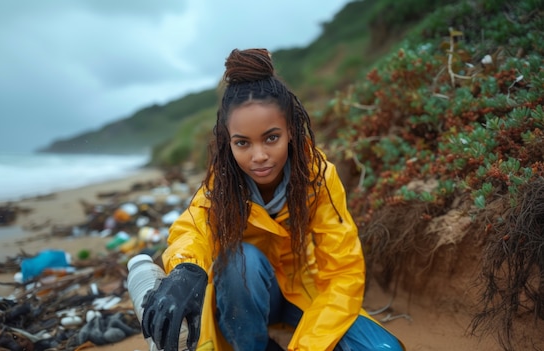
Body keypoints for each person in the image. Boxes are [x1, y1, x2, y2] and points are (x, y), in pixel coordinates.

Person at [140, 48, 405, 351]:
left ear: (291, 131)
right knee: (242, 259)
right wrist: (186, 270)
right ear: (229, 142)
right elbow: (193, 230)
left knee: (383, 349)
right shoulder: (221, 186)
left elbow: (343, 271)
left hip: (300, 292)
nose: (259, 156)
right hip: (239, 304)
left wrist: (305, 347)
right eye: (243, 143)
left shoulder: (319, 178)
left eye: (271, 138)